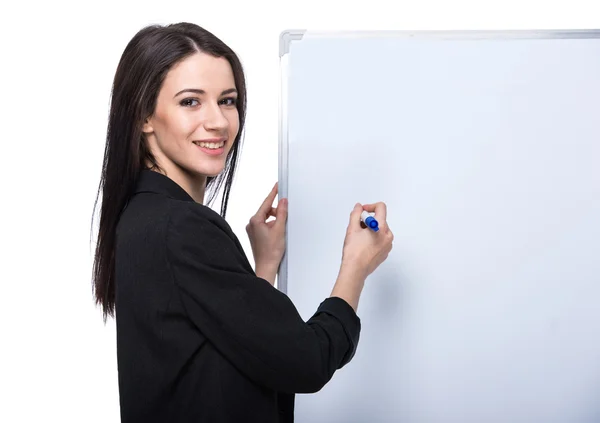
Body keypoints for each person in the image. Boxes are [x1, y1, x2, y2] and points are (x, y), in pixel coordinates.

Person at [91, 22, 394, 423]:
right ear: (145, 115)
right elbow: (306, 360)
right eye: (190, 102)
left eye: (228, 100)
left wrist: (262, 270)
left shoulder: (142, 215)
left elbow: (229, 356)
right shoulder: (179, 227)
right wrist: (356, 266)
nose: (218, 122)